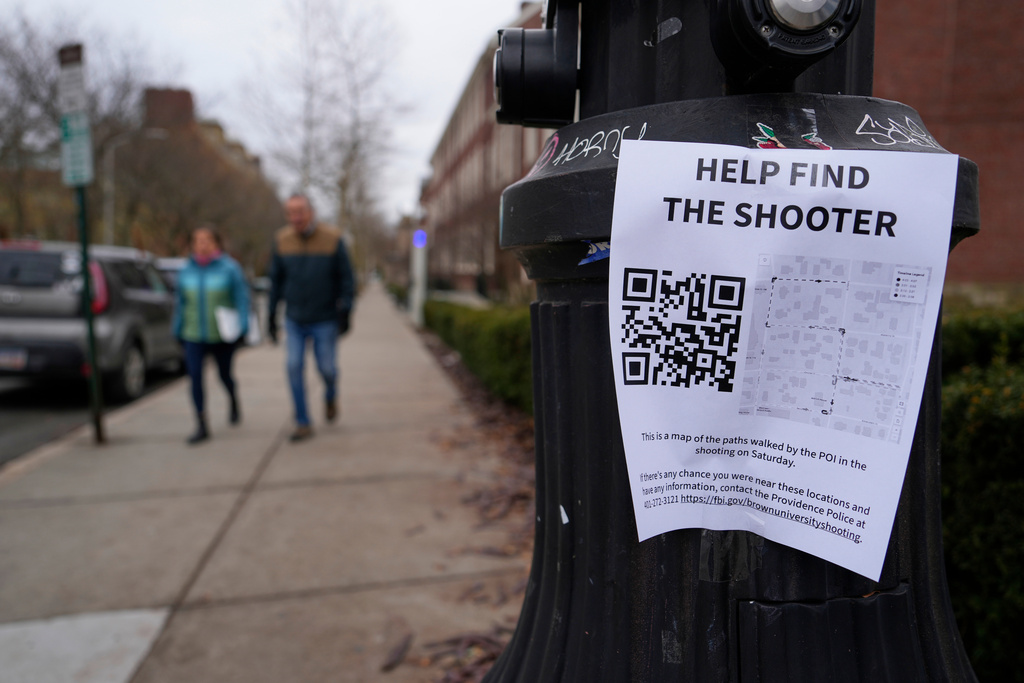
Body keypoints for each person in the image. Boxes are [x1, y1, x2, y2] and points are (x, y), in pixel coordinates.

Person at [267, 193, 355, 442]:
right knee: (293, 366)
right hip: (295, 318)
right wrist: (271, 316)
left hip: (324, 318)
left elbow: (347, 279)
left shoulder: (333, 239)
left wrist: (346, 310)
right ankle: (302, 421)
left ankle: (330, 394)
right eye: (290, 213)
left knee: (327, 368)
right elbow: (276, 282)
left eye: (300, 211)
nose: (295, 217)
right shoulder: (282, 241)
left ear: (311, 212)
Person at [172, 226, 250, 445]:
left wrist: (243, 326)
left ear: (216, 243)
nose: (202, 244)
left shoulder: (229, 268)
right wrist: (176, 328)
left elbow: (242, 298)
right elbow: (180, 302)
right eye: (198, 240)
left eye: (207, 240)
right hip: (193, 334)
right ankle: (201, 423)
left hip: (222, 334)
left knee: (224, 375)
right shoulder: (186, 269)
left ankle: (233, 398)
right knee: (195, 376)